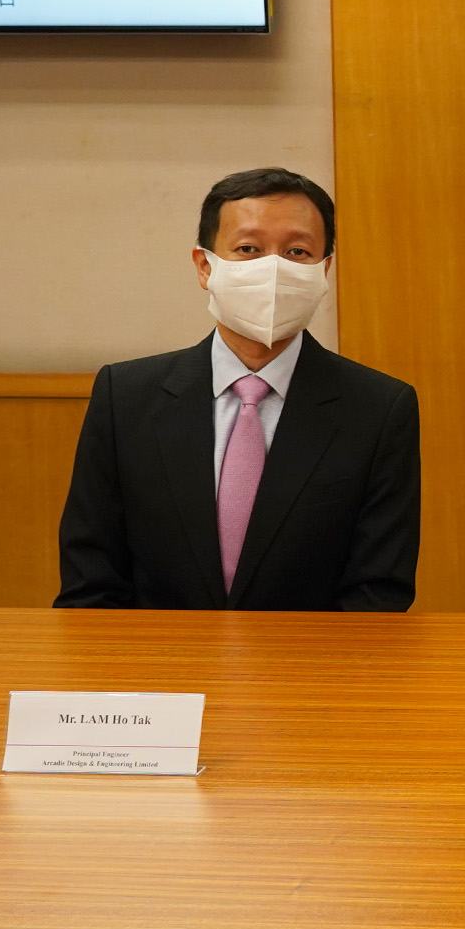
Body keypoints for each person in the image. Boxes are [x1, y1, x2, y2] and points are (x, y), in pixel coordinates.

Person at [57, 167, 419, 610]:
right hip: (158, 668)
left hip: (311, 671)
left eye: (297, 251)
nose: (273, 268)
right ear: (205, 266)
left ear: (323, 270)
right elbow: (91, 578)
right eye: (248, 249)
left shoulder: (380, 408)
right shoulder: (126, 396)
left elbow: (378, 590)